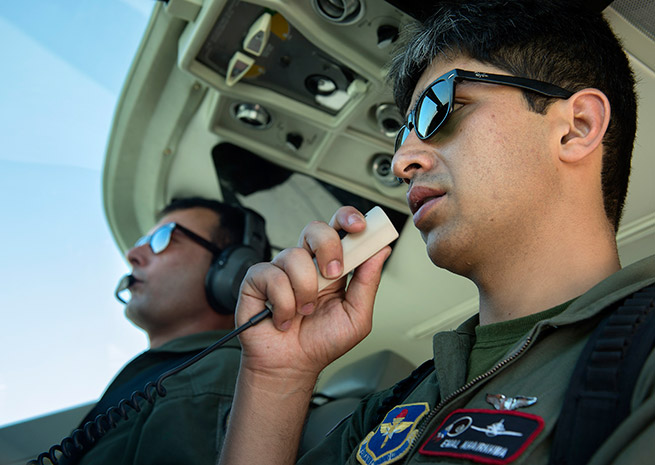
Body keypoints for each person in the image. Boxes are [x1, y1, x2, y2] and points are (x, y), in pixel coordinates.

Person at [218, 1, 654, 464]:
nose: (401, 161)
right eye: (402, 131)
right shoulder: (392, 409)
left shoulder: (641, 360)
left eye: (438, 108)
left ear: (576, 128)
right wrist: (276, 377)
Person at [64, 197, 270, 465]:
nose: (132, 255)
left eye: (163, 238)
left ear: (233, 272)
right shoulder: (166, 374)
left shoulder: (213, 376)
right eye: (141, 243)